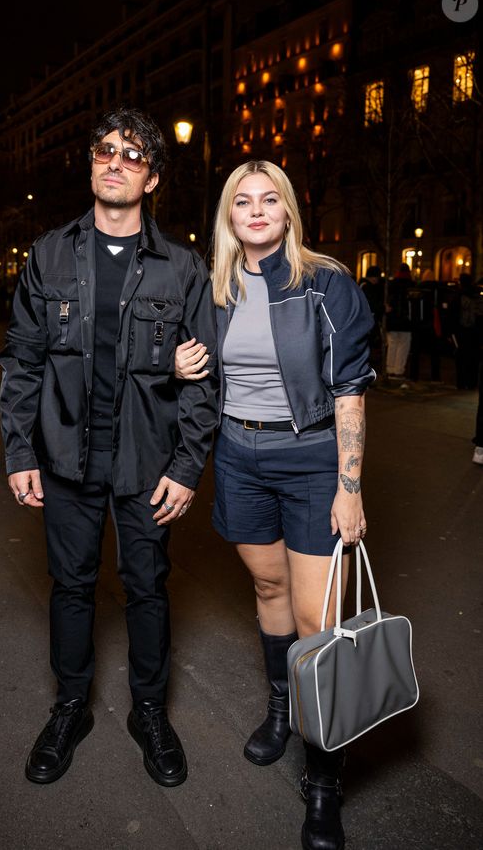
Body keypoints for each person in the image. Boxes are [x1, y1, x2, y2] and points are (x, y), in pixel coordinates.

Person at [0, 108, 219, 788]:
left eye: (131, 154)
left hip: (146, 466)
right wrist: (18, 451)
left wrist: (186, 466)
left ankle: (149, 711)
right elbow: (23, 360)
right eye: (104, 152)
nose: (115, 162)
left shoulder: (182, 267)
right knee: (70, 587)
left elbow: (205, 378)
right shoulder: (49, 254)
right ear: (92, 165)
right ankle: (71, 706)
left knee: (148, 587)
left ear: (152, 177)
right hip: (65, 461)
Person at [175, 160, 375, 850]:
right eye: (242, 200)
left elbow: (350, 387)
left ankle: (324, 776)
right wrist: (178, 364)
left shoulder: (326, 281)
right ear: (228, 216)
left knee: (318, 618)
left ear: (288, 212)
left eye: (270, 199)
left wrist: (350, 484)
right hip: (237, 454)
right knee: (267, 585)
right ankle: (282, 704)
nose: (256, 210)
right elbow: (185, 364)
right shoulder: (213, 288)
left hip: (312, 457)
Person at [385, 262, 412, 380]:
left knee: (392, 344)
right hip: (406, 321)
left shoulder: (391, 284)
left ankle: (390, 369)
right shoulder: (411, 284)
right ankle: (399, 370)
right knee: (403, 346)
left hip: (393, 320)